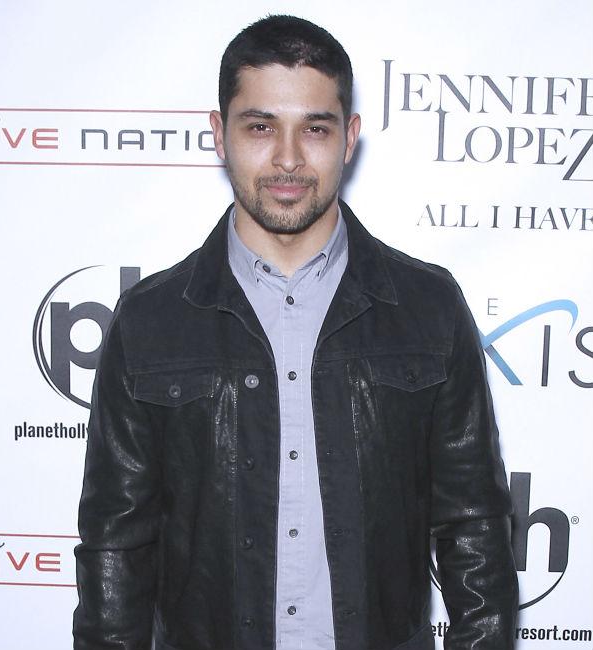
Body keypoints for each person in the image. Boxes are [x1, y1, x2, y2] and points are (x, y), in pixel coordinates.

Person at [73, 15, 518, 650]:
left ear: (349, 138)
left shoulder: (427, 306)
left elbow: (474, 527)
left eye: (315, 128)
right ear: (219, 134)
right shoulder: (151, 320)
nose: (287, 158)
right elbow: (115, 546)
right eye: (260, 127)